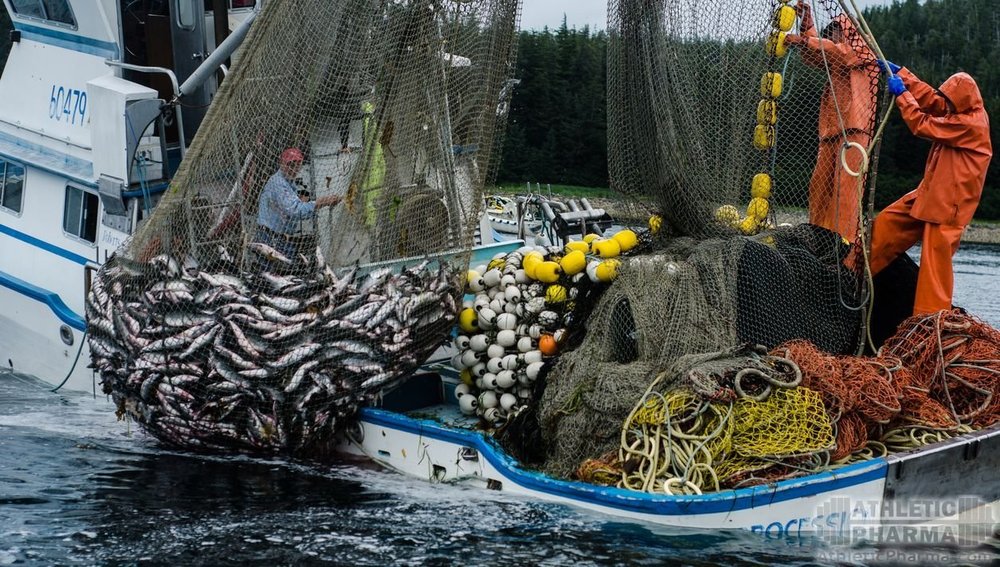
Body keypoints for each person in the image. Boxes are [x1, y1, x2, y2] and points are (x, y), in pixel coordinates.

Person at [868, 64, 992, 315]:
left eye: (948, 99)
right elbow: (932, 99)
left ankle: (928, 321)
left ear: (961, 100)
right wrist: (901, 73)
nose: (943, 103)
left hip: (949, 205)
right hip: (931, 193)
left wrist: (902, 94)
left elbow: (921, 124)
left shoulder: (970, 124)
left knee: (934, 266)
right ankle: (856, 272)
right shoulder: (959, 109)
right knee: (886, 225)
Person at [784, 3, 878, 243]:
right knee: (819, 186)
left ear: (845, 31)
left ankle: (842, 242)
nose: (832, 37)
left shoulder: (864, 47)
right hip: (831, 129)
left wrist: (806, 41)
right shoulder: (833, 51)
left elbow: (836, 51)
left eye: (835, 32)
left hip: (855, 129)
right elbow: (816, 53)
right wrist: (806, 21)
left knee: (844, 190)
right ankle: (817, 237)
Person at [255, 147, 341, 258]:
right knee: (271, 271)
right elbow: (294, 210)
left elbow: (297, 214)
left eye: (297, 165)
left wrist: (307, 205)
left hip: (281, 238)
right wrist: (321, 202)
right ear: (282, 164)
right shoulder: (278, 182)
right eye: (290, 165)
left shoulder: (290, 183)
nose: (294, 169)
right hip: (269, 237)